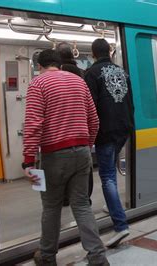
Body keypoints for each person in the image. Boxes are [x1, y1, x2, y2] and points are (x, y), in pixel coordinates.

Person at [22, 49, 108, 266]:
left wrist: (28, 160)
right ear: (59, 64)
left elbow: (33, 124)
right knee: (81, 205)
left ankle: (47, 256)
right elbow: (94, 120)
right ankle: (98, 257)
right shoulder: (79, 82)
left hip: (53, 155)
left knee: (51, 206)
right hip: (82, 152)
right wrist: (87, 146)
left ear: (39, 66)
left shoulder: (38, 84)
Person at [84, 39, 133, 248]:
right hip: (124, 128)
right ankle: (112, 205)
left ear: (94, 53)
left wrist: (88, 134)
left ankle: (120, 225)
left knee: (107, 177)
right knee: (111, 171)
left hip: (105, 130)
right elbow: (130, 102)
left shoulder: (92, 73)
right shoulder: (123, 72)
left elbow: (90, 106)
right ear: (110, 52)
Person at [57, 42, 94, 208]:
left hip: (62, 129)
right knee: (84, 169)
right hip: (82, 128)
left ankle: (65, 198)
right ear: (73, 55)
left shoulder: (57, 74)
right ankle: (85, 197)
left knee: (62, 169)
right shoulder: (82, 73)